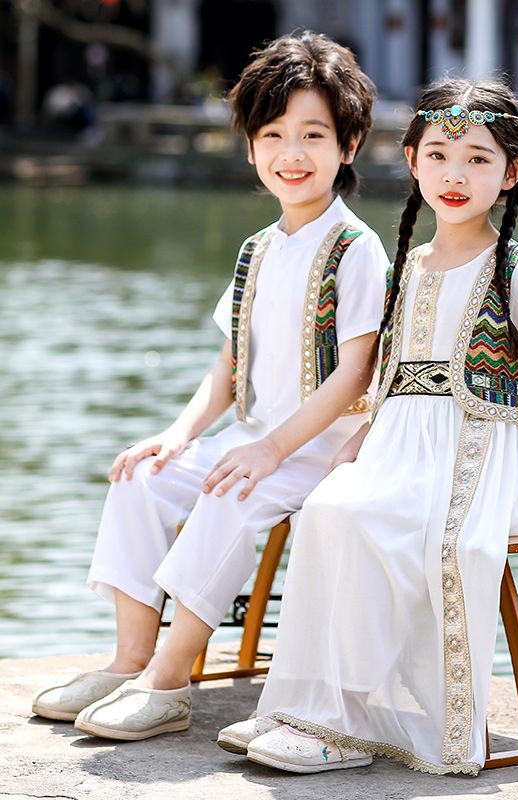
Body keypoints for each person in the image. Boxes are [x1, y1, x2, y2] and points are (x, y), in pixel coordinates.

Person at [217, 78, 518, 775]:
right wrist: (350, 451)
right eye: (438, 155)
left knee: (377, 518)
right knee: (329, 509)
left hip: (489, 454)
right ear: (411, 161)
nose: (455, 175)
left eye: (477, 159)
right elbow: (390, 388)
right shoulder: (409, 269)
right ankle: (317, 705)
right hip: (403, 448)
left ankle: (340, 724)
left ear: (512, 172)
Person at [31, 31, 388, 741]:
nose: (292, 154)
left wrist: (270, 452)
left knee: (230, 490)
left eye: (313, 135)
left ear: (347, 146)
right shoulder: (257, 248)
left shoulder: (356, 248)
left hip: (319, 448)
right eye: (273, 134)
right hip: (252, 438)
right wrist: (176, 435)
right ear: (251, 147)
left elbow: (356, 370)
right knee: (141, 477)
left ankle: (169, 682)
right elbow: (229, 368)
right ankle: (130, 659)